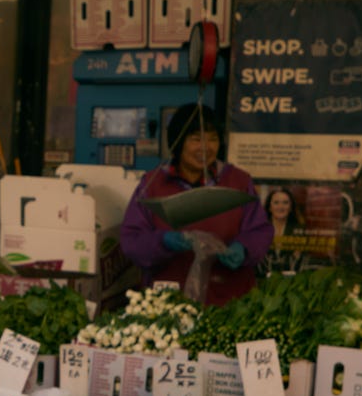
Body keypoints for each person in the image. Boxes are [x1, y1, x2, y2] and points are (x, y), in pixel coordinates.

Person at [118, 102, 273, 305]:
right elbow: (132, 241)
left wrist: (244, 248)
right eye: (196, 139)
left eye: (212, 139)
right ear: (178, 141)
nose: (205, 147)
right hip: (166, 302)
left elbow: (260, 230)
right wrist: (163, 241)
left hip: (230, 300)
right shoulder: (152, 184)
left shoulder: (238, 181)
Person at [259, 185, 307, 275]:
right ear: (269, 207)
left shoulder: (299, 230)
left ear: (290, 208)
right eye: (276, 202)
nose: (281, 207)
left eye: (285, 203)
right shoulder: (260, 230)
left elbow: (298, 261)